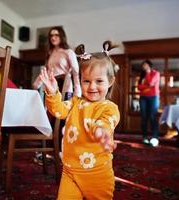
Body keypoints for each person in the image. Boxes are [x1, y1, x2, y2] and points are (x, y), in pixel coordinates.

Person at [38, 41, 120, 200]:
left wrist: (101, 132)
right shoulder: (76, 102)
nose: (92, 87)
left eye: (99, 81)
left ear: (110, 81)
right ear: (80, 81)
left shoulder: (109, 108)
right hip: (69, 171)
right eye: (86, 81)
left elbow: (106, 123)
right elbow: (57, 110)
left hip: (97, 174)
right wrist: (52, 91)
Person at [32, 26, 81, 162]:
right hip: (52, 90)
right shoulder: (50, 53)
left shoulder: (68, 52)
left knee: (62, 123)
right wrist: (36, 84)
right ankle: (50, 152)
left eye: (56, 35)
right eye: (51, 35)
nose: (53, 37)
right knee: (51, 121)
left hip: (67, 90)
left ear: (62, 36)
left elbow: (76, 73)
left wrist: (78, 93)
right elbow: (47, 71)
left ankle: (61, 152)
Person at [137, 60, 160, 147]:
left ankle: (155, 137)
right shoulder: (142, 75)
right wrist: (146, 86)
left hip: (153, 97)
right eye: (143, 66)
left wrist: (147, 74)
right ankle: (145, 137)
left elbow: (151, 82)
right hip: (143, 97)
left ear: (149, 65)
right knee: (144, 117)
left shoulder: (156, 73)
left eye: (145, 65)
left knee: (152, 116)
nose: (144, 67)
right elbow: (139, 87)